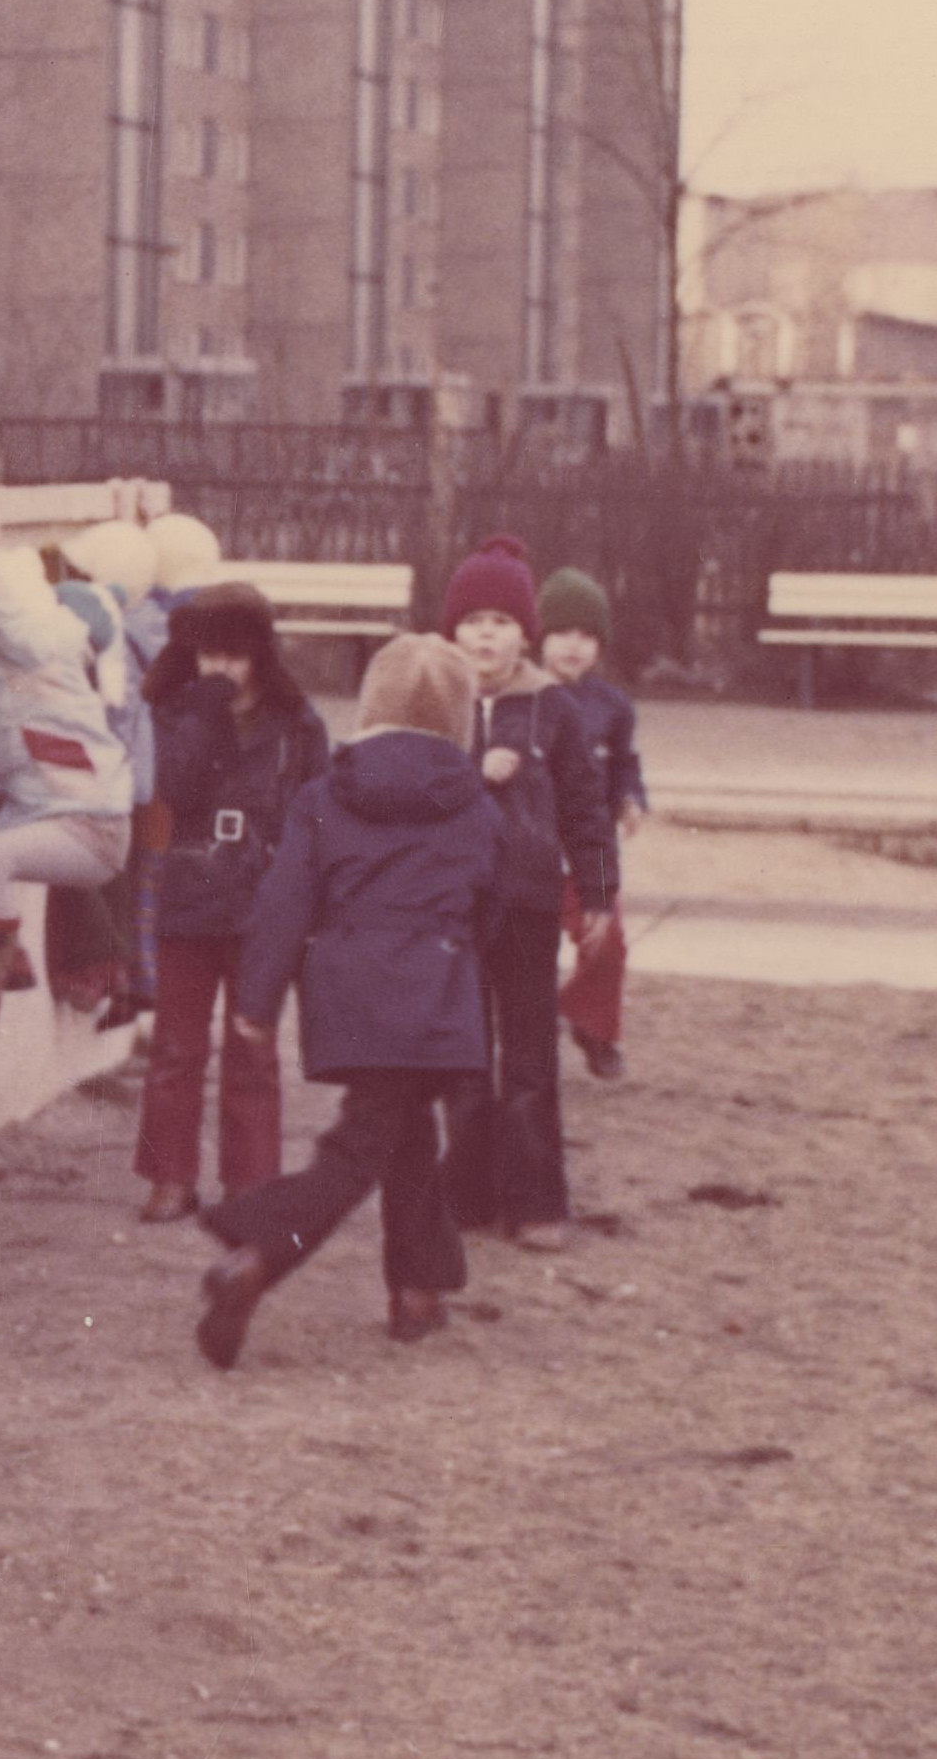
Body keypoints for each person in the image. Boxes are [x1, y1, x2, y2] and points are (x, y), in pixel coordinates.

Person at [190, 632, 505, 1367]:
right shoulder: (475, 806)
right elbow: (490, 905)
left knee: (397, 1133)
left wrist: (257, 1002)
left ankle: (417, 1292)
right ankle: (259, 1257)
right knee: (359, 1149)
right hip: (435, 988)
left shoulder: (324, 796)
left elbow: (282, 905)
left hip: (350, 995)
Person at [436, 536, 619, 1249]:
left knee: (529, 1057)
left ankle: (536, 1199)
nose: (486, 634)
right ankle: (469, 1194)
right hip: (452, 904)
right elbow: (400, 779)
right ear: (452, 629)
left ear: (524, 632)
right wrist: (471, 771)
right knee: (462, 1055)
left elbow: (585, 808)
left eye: (502, 620)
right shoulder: (433, 695)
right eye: (473, 619)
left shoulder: (550, 708)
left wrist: (597, 894)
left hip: (527, 904)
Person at [130, 583, 330, 1228]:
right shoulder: (173, 715)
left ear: (259, 657)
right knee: (176, 1047)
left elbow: (317, 812)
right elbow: (175, 789)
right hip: (190, 897)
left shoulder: (298, 725)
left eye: (235, 657)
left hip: (262, 904)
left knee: (253, 1047)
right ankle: (171, 1175)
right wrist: (202, 714)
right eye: (209, 655)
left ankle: (251, 1180)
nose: (221, 669)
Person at [0, 499, 137, 1015]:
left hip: (92, 829)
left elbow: (5, 606)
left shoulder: (39, 651)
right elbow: (12, 595)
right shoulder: (25, 668)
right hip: (48, 812)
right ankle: (5, 959)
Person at [540, 569, 649, 1083]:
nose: (573, 646)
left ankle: (592, 1026)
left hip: (594, 848)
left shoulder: (613, 707)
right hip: (537, 845)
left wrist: (631, 797)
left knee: (609, 945)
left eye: (586, 637)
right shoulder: (527, 696)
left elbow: (625, 761)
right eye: (561, 633)